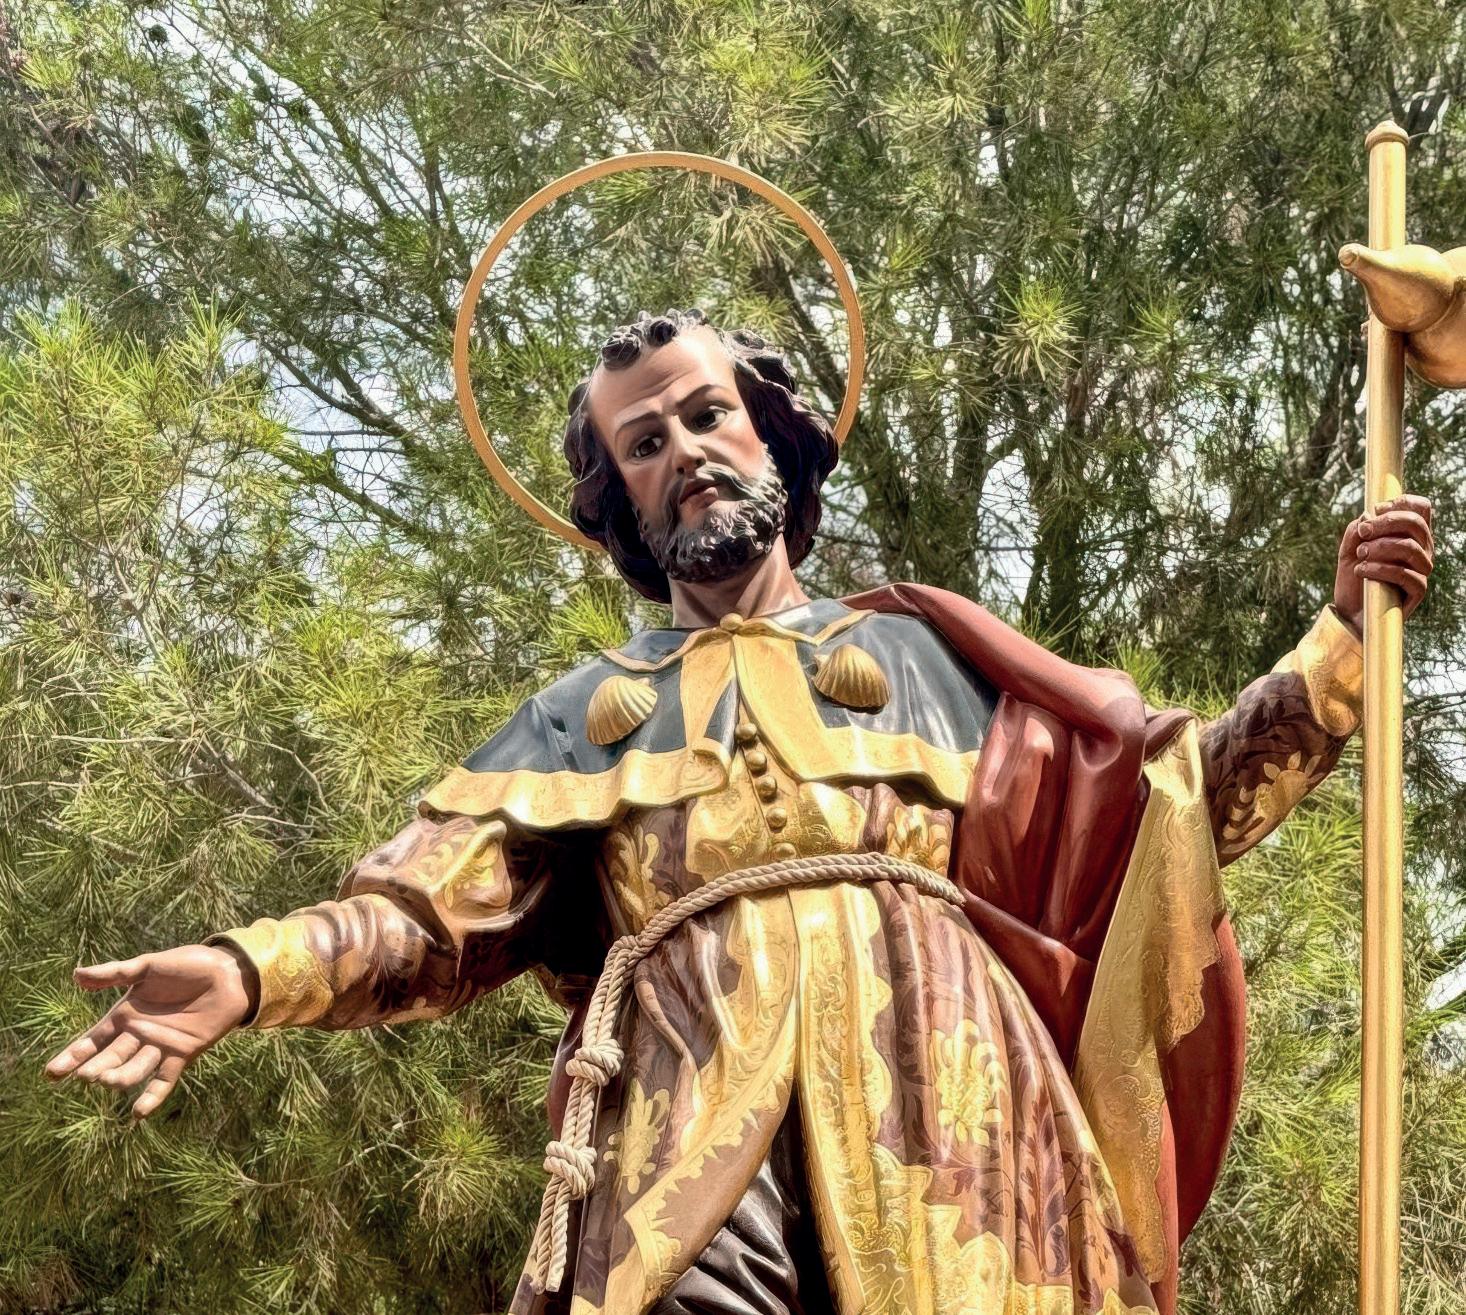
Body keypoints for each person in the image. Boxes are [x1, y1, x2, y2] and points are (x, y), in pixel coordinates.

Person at [46, 309, 1436, 1315]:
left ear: (768, 433)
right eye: (644, 442)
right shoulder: (581, 716)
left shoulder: (936, 660)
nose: (687, 451)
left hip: (953, 1118)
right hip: (686, 1112)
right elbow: (420, 917)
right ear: (619, 495)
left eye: (707, 415)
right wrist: (243, 972)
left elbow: (1169, 810)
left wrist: (1338, 646)